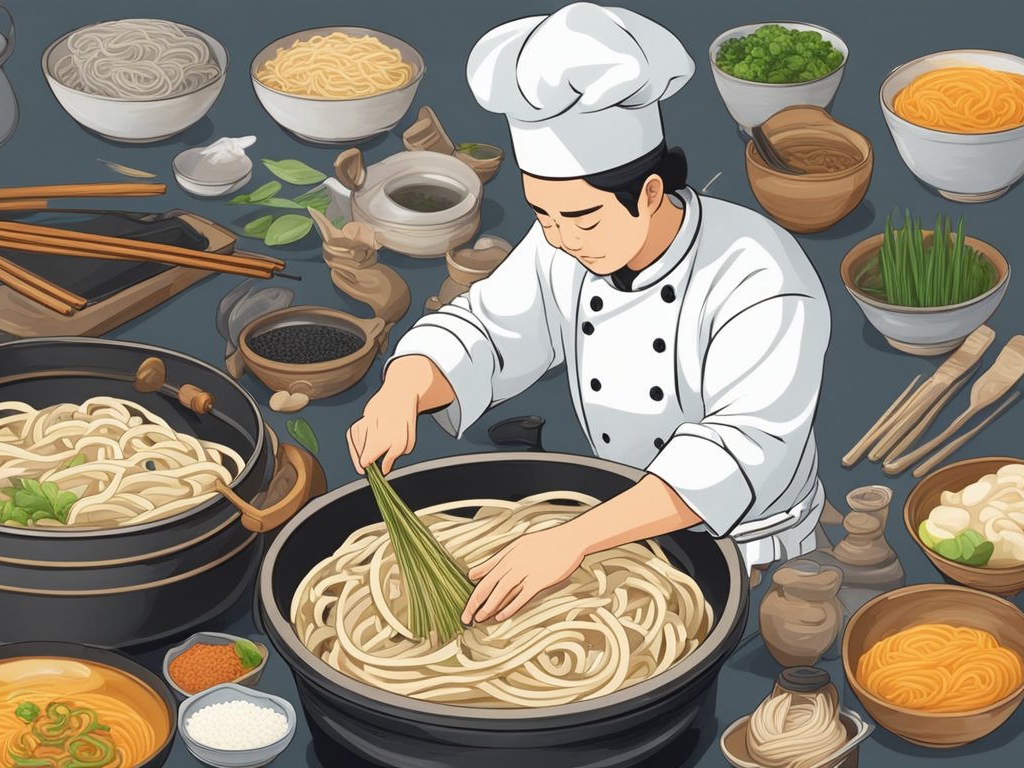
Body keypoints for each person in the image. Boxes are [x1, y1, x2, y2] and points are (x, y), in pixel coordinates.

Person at [345, 2, 831, 626]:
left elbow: (742, 449)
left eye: (580, 217)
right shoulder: (564, 241)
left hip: (742, 541)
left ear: (650, 193)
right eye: (541, 213)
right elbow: (487, 331)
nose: (558, 237)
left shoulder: (759, 273)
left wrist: (570, 539)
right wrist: (401, 389)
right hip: (612, 518)